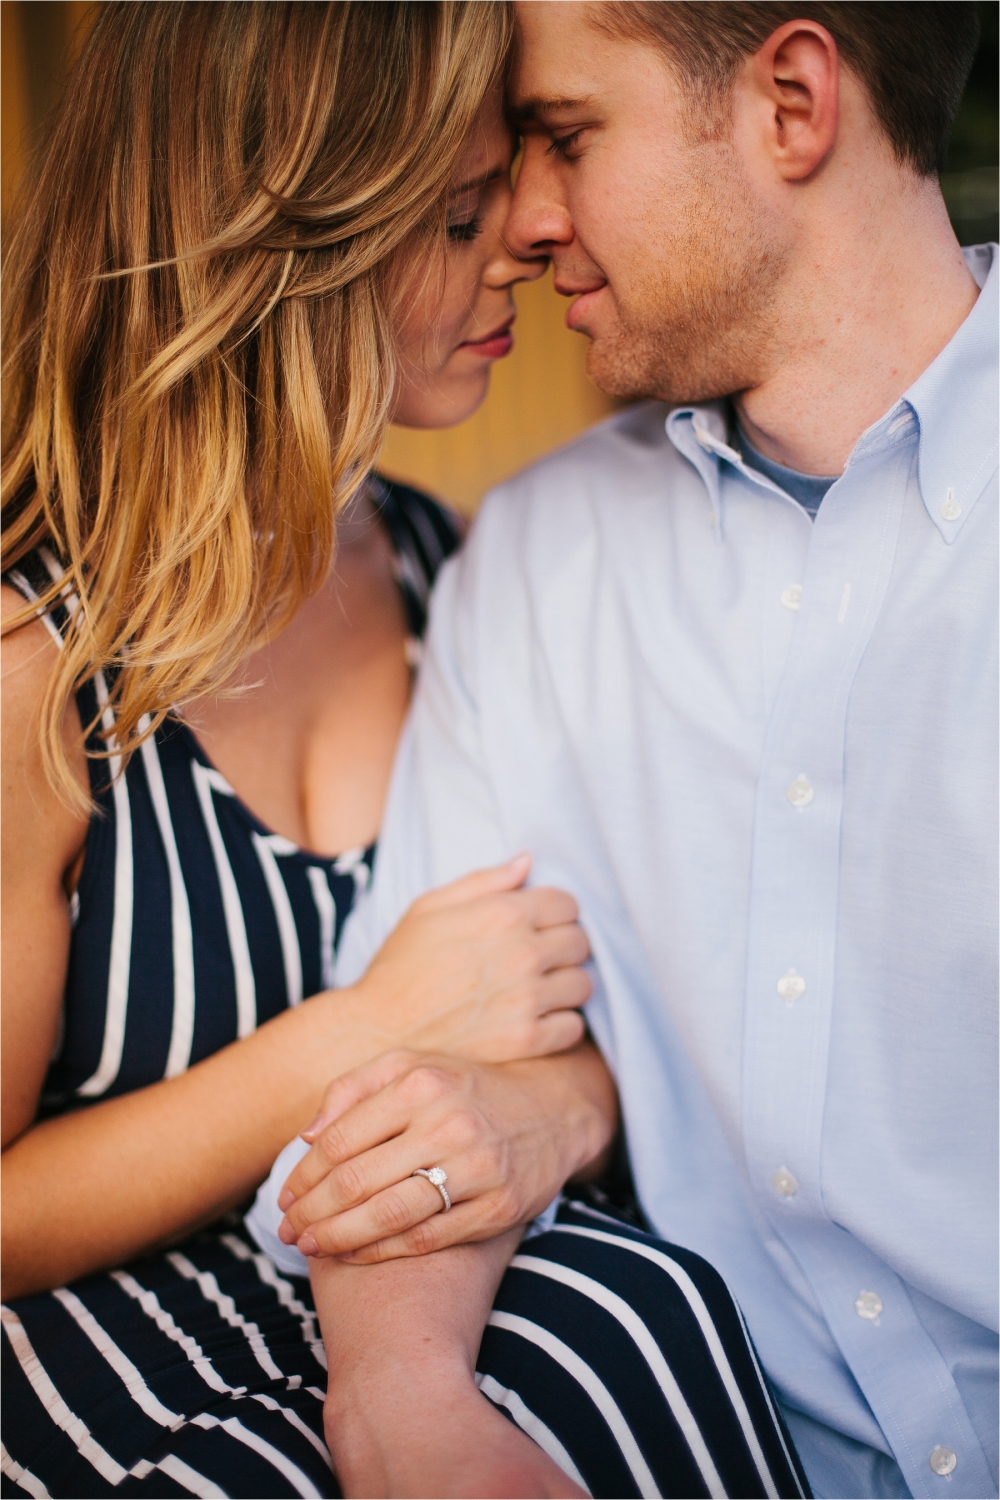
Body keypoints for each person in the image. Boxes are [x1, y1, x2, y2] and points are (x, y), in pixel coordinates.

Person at [1, 5, 805, 1499]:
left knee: (641, 1319)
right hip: (104, 1375)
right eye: (451, 215)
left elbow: (589, 998)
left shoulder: (453, 574)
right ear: (271, 258)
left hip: (387, 1281)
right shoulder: (31, 669)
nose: (521, 242)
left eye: (514, 179)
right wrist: (366, 1026)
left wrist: (551, 1097)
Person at [268, 4, 998, 1498]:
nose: (521, 224)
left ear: (791, 103)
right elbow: (422, 1077)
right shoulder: (535, 558)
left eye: (566, 138)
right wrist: (404, 1399)